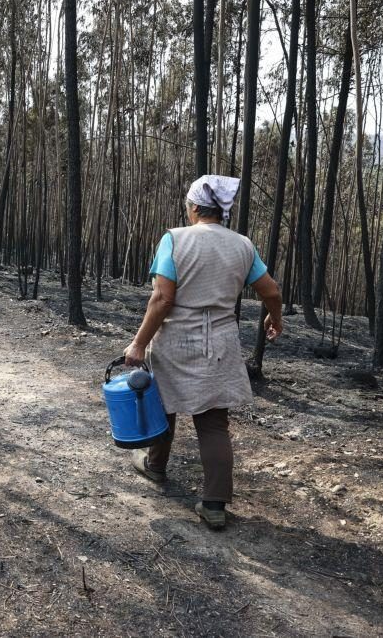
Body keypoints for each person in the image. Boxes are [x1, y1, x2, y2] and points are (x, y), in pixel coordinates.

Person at [122, 175, 283, 530]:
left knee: (164, 408)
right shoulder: (242, 245)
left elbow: (163, 298)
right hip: (221, 342)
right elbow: (270, 290)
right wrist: (276, 317)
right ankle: (214, 504)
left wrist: (139, 343)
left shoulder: (175, 239)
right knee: (213, 425)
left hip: (177, 339)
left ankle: (155, 467)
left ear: (194, 207)